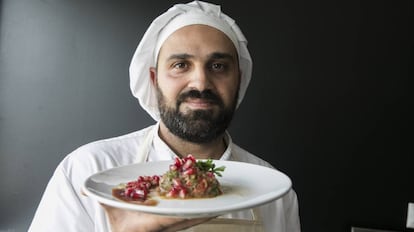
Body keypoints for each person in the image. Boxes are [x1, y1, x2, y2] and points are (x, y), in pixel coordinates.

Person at [28, 1, 301, 231]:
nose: (200, 83)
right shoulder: (86, 171)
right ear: (154, 78)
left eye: (218, 66)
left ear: (238, 80)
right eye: (180, 65)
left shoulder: (275, 192)